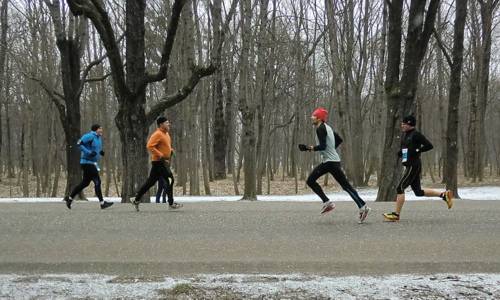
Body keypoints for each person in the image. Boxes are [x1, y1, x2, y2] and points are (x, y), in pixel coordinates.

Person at [299, 107, 370, 223]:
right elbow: (339, 140)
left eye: (314, 116)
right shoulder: (328, 128)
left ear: (319, 118)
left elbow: (323, 146)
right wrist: (331, 151)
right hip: (331, 161)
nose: (311, 118)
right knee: (314, 181)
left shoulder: (320, 129)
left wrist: (308, 148)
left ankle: (363, 207)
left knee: (344, 186)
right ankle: (328, 203)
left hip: (330, 162)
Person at [383, 115, 453, 222]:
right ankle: (444, 195)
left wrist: (416, 150)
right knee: (418, 192)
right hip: (409, 165)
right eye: (402, 123)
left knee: (400, 188)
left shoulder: (416, 134)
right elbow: (407, 148)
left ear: (410, 124)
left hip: (413, 165)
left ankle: (396, 215)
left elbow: (429, 145)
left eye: (404, 123)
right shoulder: (406, 135)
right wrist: (402, 152)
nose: (402, 125)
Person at [132, 116, 181, 211]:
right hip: (159, 162)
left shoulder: (166, 134)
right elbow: (149, 146)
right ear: (161, 124)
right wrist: (161, 155)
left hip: (161, 162)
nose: (169, 124)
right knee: (170, 179)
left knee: (150, 182)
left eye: (168, 122)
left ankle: (136, 199)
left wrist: (170, 150)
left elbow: (164, 146)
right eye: (167, 123)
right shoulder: (157, 134)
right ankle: (171, 203)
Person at [64, 124, 114, 210]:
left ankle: (69, 199)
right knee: (97, 181)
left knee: (85, 183)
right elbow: (79, 143)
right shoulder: (89, 136)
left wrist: (100, 152)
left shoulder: (98, 138)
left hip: (92, 163)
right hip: (87, 163)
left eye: (102, 129)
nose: (101, 130)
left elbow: (95, 149)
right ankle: (102, 203)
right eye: (100, 129)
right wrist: (88, 152)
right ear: (95, 130)